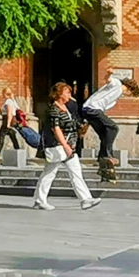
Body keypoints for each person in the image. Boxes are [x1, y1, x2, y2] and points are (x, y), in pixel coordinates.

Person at [33, 82, 99, 210]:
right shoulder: (53, 109)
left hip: (69, 146)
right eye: (67, 92)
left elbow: (73, 123)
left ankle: (85, 199)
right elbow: (55, 128)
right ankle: (39, 200)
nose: (69, 94)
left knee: (76, 171)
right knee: (49, 173)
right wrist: (65, 145)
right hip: (57, 146)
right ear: (59, 94)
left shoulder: (67, 107)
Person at [81, 72, 139, 184]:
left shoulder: (114, 100)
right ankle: (107, 155)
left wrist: (87, 122)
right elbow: (109, 80)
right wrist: (108, 73)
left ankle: (103, 164)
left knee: (105, 134)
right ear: (129, 89)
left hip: (89, 112)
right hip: (92, 109)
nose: (126, 95)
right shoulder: (117, 84)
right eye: (130, 94)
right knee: (113, 128)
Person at [0, 87, 21, 155]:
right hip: (9, 120)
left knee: (1, 136)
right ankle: (18, 150)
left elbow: (9, 113)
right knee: (12, 136)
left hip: (7, 120)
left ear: (4, 93)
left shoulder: (8, 101)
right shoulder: (12, 101)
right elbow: (17, 108)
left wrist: (8, 123)